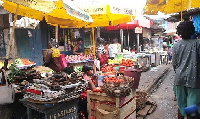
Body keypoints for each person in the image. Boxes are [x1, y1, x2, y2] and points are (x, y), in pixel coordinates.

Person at [172, 19, 200, 119]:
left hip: (179, 79)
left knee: (181, 106)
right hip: (194, 80)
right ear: (193, 31)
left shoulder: (176, 45)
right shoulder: (198, 44)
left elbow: (174, 64)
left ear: (179, 32)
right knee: (192, 108)